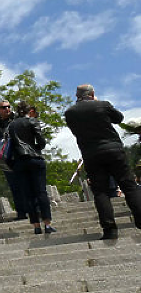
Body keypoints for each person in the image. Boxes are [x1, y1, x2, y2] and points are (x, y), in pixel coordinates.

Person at [64, 84, 141, 240]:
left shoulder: (70, 112)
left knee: (100, 191)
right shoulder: (102, 105)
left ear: (77, 96)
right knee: (129, 186)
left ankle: (109, 229)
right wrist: (99, 103)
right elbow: (119, 118)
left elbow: (74, 130)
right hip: (113, 149)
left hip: (91, 153)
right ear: (92, 94)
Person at [8, 102, 54, 235]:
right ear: (30, 111)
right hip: (34, 158)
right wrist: (36, 148)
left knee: (27, 194)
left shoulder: (12, 125)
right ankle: (47, 223)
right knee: (41, 191)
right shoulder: (32, 121)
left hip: (19, 161)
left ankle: (36, 226)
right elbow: (41, 142)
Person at [0, 100, 27, 220]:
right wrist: (2, 145)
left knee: (28, 184)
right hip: (7, 159)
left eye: (9, 107)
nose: (7, 109)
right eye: (4, 107)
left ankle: (36, 210)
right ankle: (21, 213)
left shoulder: (18, 119)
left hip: (21, 156)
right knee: (15, 187)